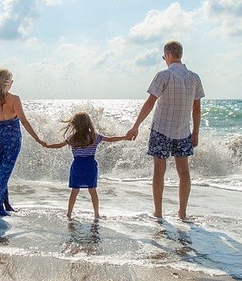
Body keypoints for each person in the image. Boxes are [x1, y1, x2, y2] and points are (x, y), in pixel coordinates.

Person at [126, 41, 204, 220]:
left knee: (159, 171)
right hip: (183, 131)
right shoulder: (194, 77)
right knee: (184, 172)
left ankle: (159, 212)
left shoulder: (163, 76)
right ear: (180, 55)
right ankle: (182, 213)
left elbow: (150, 103)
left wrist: (136, 125)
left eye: (164, 57)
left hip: (161, 129)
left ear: (168, 55)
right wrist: (196, 132)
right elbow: (197, 109)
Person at [0, 68, 45, 216]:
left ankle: (5, 203)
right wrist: (37, 138)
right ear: (10, 82)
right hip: (12, 136)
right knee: (2, 173)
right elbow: (23, 120)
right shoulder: (14, 99)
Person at [44, 111, 128, 219]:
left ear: (74, 124)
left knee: (74, 191)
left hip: (77, 166)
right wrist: (125, 137)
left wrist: (47, 145)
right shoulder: (94, 137)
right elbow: (110, 139)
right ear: (88, 123)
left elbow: (59, 145)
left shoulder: (72, 138)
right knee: (92, 190)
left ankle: (69, 214)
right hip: (90, 166)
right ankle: (96, 214)